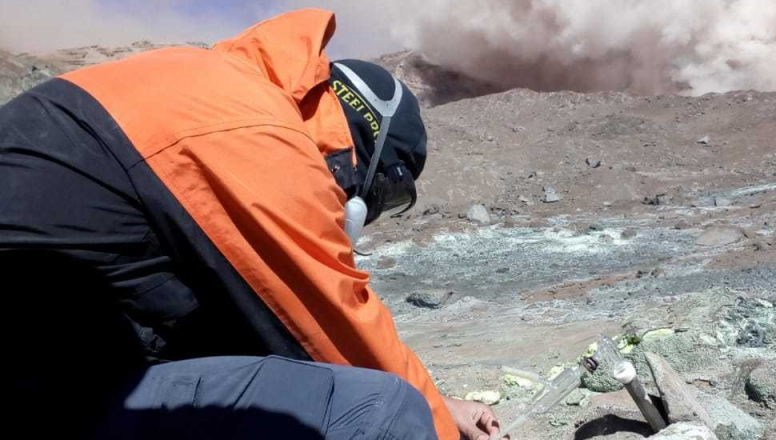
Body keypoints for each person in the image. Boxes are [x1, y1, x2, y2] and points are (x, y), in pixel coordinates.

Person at [0, 8, 502, 440]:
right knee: (385, 411)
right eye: (387, 197)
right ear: (371, 156)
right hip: (43, 391)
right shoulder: (263, 135)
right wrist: (436, 422)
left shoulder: (209, 82)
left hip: (45, 364)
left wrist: (440, 402)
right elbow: (338, 333)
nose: (368, 211)